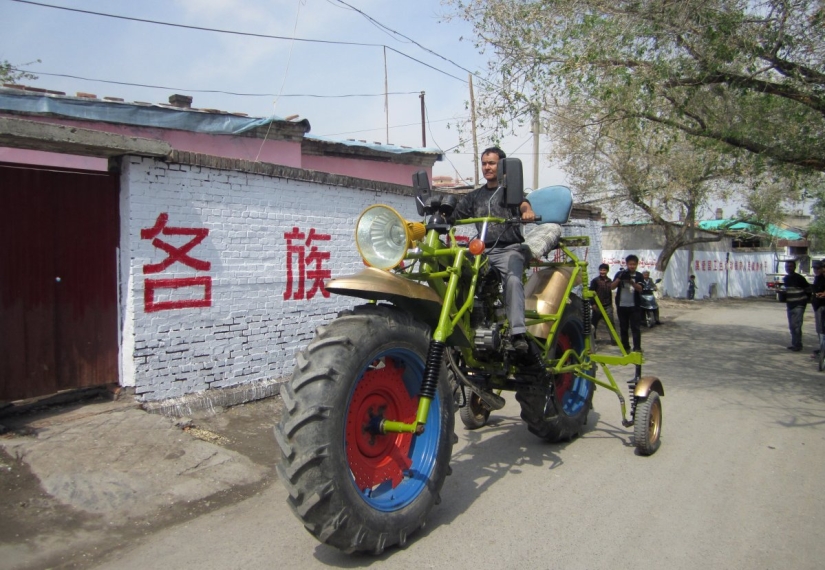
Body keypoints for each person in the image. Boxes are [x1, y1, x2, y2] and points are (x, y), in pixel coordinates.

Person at [451, 147, 537, 353]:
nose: (487, 167)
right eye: (484, 163)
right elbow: (454, 215)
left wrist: (528, 211)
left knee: (514, 280)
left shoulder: (512, 192)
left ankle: (518, 333)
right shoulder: (475, 196)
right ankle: (460, 323)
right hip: (481, 252)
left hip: (509, 249)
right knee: (453, 271)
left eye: (492, 163)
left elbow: (524, 205)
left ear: (503, 166)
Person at [611, 254, 645, 353]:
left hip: (634, 306)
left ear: (637, 265)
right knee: (623, 327)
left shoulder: (639, 275)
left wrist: (631, 281)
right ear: (626, 264)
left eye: (634, 264)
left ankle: (637, 348)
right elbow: (612, 287)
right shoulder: (620, 274)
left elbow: (640, 289)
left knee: (636, 328)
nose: (632, 266)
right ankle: (625, 348)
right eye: (630, 264)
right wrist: (619, 279)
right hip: (622, 306)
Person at [783, 259, 811, 352]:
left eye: (790, 266)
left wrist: (804, 300)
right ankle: (794, 343)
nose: (788, 268)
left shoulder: (799, 278)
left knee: (797, 325)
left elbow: (808, 289)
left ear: (794, 267)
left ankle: (798, 345)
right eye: (787, 266)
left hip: (799, 305)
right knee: (792, 326)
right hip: (790, 305)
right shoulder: (786, 279)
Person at [590, 263, 617, 344]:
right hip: (597, 306)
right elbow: (591, 293)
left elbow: (610, 293)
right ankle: (592, 340)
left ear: (607, 271)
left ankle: (614, 340)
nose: (602, 272)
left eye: (604, 270)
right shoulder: (595, 281)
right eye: (601, 270)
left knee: (611, 323)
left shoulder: (610, 281)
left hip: (607, 306)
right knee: (593, 324)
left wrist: (611, 305)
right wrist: (593, 304)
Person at [810, 260, 825, 358]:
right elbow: (815, 289)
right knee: (820, 328)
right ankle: (822, 348)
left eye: (818, 268)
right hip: (819, 305)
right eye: (815, 268)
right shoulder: (818, 278)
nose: (816, 270)